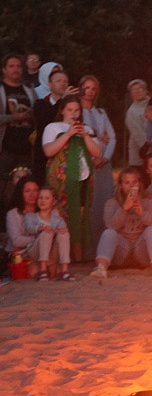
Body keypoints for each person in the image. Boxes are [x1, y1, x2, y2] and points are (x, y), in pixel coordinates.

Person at [42, 95, 102, 263]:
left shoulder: (86, 128)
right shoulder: (52, 127)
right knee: (61, 215)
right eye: (70, 110)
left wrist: (85, 135)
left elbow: (97, 153)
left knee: (80, 216)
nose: (73, 114)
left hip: (82, 179)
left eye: (77, 110)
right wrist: (68, 134)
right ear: (62, 111)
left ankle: (78, 258)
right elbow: (48, 151)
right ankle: (60, 258)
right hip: (61, 181)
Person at [91, 167, 152, 278]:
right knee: (109, 233)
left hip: (141, 250)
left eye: (134, 182)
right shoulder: (112, 202)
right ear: (121, 186)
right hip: (122, 250)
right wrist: (124, 210)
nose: (131, 186)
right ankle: (101, 268)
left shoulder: (149, 200)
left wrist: (143, 214)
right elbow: (110, 226)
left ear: (139, 184)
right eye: (127, 183)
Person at [79, 75, 116, 247]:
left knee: (104, 202)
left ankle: (103, 243)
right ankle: (87, 245)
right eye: (87, 88)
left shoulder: (101, 113)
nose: (90, 92)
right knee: (89, 204)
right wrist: (93, 157)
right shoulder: (76, 112)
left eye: (93, 88)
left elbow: (112, 137)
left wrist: (105, 157)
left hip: (104, 164)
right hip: (86, 162)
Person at [0, 53, 38, 216]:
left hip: (26, 148)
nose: (16, 69)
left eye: (18, 66)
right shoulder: (1, 89)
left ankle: (23, 224)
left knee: (25, 188)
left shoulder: (29, 90)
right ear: (4, 69)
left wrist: (32, 115)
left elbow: (38, 112)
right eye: (11, 66)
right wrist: (13, 117)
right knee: (3, 187)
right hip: (5, 149)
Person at [32, 68, 78, 183]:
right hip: (43, 158)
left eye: (65, 81)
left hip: (67, 158)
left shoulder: (72, 107)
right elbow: (45, 120)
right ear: (49, 84)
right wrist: (62, 100)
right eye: (58, 81)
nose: (62, 84)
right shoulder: (40, 104)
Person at [24, 186, 73, 281]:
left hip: (51, 253)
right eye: (40, 198)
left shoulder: (57, 219)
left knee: (64, 234)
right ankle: (42, 270)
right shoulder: (31, 216)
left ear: (53, 202)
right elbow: (29, 228)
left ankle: (64, 270)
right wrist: (42, 228)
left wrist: (60, 230)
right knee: (46, 233)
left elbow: (62, 228)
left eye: (47, 198)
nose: (43, 201)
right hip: (36, 252)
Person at [4, 177, 40, 278]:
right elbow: (16, 241)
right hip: (19, 255)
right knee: (33, 272)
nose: (32, 195)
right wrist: (39, 239)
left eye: (35, 190)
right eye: (27, 191)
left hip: (40, 253)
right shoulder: (13, 214)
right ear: (21, 193)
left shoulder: (42, 212)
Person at [125, 79, 149, 166]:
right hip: (140, 152)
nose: (137, 92)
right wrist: (148, 151)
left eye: (139, 89)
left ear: (146, 90)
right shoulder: (131, 112)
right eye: (133, 90)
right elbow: (138, 135)